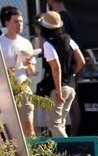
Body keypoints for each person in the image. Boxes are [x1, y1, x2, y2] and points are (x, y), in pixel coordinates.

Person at [35, 10, 84, 138]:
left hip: (58, 89)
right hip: (70, 88)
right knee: (60, 123)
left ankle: (69, 152)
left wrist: (58, 90)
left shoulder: (48, 44)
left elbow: (55, 67)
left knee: (54, 124)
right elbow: (81, 61)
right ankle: (64, 154)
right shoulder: (69, 40)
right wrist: (71, 74)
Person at [0, 5, 41, 138]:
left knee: (28, 122)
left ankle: (30, 153)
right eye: (16, 21)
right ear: (7, 23)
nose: (19, 24)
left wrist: (27, 64)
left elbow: (32, 71)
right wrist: (7, 70)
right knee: (8, 126)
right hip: (4, 89)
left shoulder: (26, 43)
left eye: (21, 21)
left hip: (23, 87)